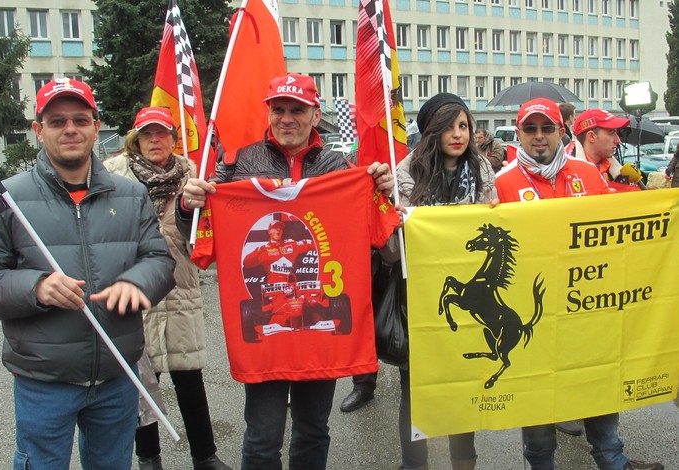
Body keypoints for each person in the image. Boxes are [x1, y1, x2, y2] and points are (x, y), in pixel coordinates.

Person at [176, 72, 394, 470]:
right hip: (265, 335)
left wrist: (381, 189)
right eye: (279, 109)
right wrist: (188, 204)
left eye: (298, 110)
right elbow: (197, 239)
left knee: (313, 430)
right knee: (262, 435)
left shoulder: (340, 168)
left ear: (316, 115)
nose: (287, 118)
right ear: (269, 113)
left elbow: (381, 237)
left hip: (317, 324)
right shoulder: (238, 164)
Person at [0, 78, 176, 470]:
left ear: (96, 125)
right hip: (43, 381)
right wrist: (36, 287)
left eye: (80, 119)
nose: (70, 129)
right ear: (39, 131)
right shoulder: (8, 200)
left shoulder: (131, 194)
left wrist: (135, 282)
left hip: (117, 375)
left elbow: (160, 260)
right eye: (57, 122)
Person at [494, 98, 663, 470]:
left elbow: (617, 237)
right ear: (519, 134)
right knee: (538, 431)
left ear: (561, 131)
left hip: (588, 317)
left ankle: (612, 461)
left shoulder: (587, 175)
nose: (539, 137)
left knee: (601, 409)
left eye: (547, 128)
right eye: (530, 129)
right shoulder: (502, 183)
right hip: (535, 322)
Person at [103, 107, 230, 470]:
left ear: (174, 138)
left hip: (180, 291)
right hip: (134, 294)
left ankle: (205, 456)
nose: (155, 140)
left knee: (190, 379)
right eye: (147, 134)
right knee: (142, 386)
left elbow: (207, 236)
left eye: (162, 133)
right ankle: (148, 458)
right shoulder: (114, 176)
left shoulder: (192, 175)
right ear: (135, 139)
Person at [389, 93, 497, 470]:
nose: (458, 134)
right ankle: (415, 463)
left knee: (461, 387)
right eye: (449, 126)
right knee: (416, 391)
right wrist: (396, 224)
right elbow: (387, 251)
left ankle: (463, 462)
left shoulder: (483, 172)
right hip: (419, 298)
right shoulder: (404, 175)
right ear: (431, 131)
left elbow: (493, 228)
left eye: (464, 125)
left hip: (469, 295)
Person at [569, 108, 641, 191]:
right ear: (591, 137)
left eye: (616, 133)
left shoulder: (614, 171)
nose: (618, 141)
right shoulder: (564, 172)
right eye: (611, 133)